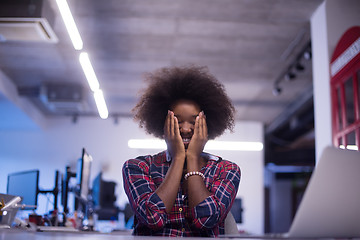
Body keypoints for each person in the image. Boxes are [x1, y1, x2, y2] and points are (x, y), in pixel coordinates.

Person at [122, 65, 241, 237]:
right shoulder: (137, 167)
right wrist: (178, 158)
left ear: (207, 125)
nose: (185, 129)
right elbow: (153, 218)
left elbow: (206, 220)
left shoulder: (227, 170)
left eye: (194, 121)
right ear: (163, 124)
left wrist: (192, 157)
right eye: (176, 121)